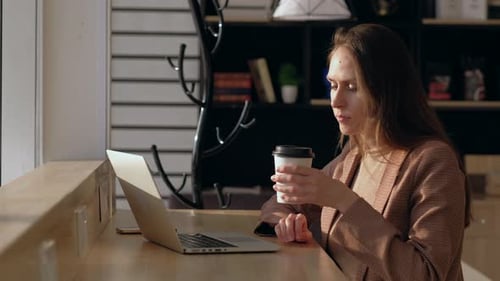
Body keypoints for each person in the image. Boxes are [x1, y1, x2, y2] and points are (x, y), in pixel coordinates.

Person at [255, 23, 471, 281]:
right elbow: (281, 203)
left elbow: (426, 274)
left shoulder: (433, 162)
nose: (336, 101)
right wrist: (289, 225)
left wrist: (345, 201)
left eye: (352, 87)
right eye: (333, 85)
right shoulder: (356, 153)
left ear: (386, 90)